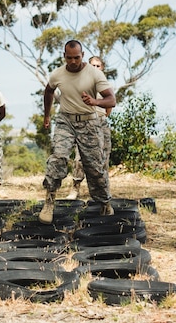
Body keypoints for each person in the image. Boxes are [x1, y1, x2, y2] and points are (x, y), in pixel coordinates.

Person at [39, 40, 116, 224]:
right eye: (69, 58)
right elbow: (48, 91)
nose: (73, 61)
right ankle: (49, 202)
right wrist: (47, 115)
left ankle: (104, 201)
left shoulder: (94, 74)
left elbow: (111, 100)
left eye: (77, 57)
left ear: (82, 55)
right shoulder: (58, 74)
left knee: (95, 167)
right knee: (58, 157)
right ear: (64, 56)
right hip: (66, 120)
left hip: (89, 122)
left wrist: (95, 102)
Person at [66, 55, 113, 200]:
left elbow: (109, 105)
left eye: (98, 66)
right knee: (80, 159)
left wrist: (102, 116)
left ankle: (102, 191)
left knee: (103, 158)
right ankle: (75, 188)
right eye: (92, 65)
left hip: (101, 122)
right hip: (86, 123)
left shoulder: (105, 85)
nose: (95, 68)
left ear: (102, 68)